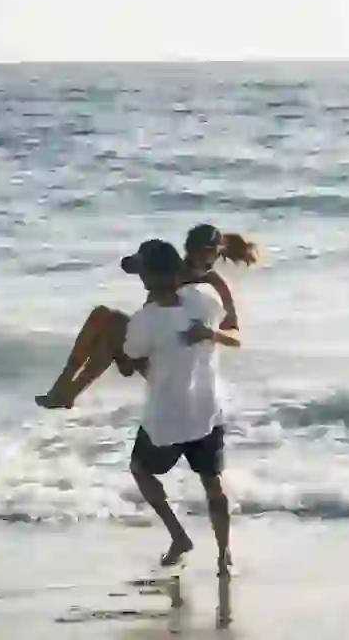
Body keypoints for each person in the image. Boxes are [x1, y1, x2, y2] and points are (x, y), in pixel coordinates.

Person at [115, 238, 239, 575]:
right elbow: (226, 323)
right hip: (205, 411)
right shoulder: (205, 301)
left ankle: (179, 536)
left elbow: (131, 359)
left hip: (166, 417)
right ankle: (224, 556)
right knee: (213, 485)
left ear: (148, 278)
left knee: (141, 469)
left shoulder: (145, 319)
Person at [34, 224, 258, 409]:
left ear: (214, 255)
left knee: (109, 327)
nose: (193, 262)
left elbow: (236, 338)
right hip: (151, 351)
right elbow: (129, 265)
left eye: (201, 256)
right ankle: (65, 388)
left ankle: (67, 392)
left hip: (175, 371)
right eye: (190, 254)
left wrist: (211, 333)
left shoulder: (217, 286)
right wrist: (142, 260)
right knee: (102, 324)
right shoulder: (173, 268)